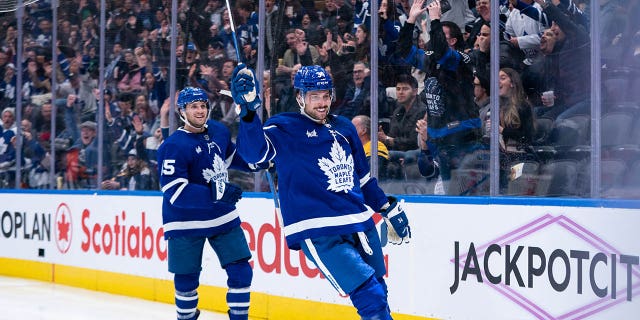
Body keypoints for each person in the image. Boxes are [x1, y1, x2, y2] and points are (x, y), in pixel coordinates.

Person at [231, 64, 411, 320]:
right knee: (369, 295)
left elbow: (362, 179)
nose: (322, 102)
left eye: (326, 95)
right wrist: (248, 114)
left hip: (359, 222)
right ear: (300, 97)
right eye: (314, 96)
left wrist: (386, 207)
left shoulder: (345, 127)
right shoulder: (284, 127)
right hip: (319, 230)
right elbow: (254, 156)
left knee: (379, 293)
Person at [157, 86, 260, 320]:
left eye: (203, 105)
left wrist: (261, 162)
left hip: (221, 215)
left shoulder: (218, 131)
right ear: (182, 111)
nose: (200, 110)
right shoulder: (173, 146)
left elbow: (234, 157)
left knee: (241, 271)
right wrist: (218, 192)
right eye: (194, 106)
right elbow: (175, 191)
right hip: (184, 220)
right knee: (186, 279)